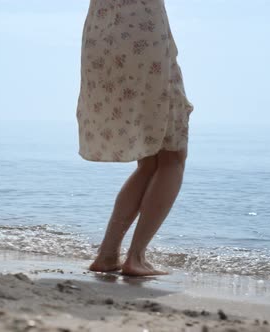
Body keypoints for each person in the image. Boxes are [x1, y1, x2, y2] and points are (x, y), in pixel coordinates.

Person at [76, 0, 193, 277]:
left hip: (103, 37)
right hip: (144, 36)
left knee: (152, 160)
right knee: (172, 155)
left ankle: (107, 254)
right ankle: (136, 258)